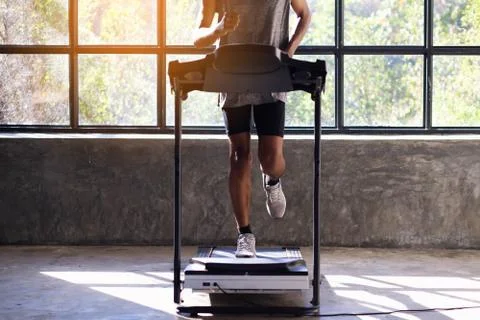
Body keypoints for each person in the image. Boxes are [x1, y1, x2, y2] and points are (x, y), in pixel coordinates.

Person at [193, 0, 311, 258]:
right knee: (239, 156)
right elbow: (197, 38)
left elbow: (304, 15)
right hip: (231, 75)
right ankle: (245, 234)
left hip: (271, 73)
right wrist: (217, 31)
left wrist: (289, 52)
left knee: (270, 160)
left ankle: (272, 179)